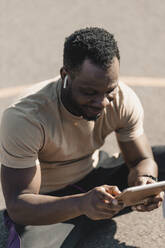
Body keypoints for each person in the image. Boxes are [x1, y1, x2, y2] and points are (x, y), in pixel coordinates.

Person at [0, 27, 164, 248]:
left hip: (100, 182)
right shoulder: (25, 117)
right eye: (89, 93)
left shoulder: (122, 98)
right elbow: (19, 204)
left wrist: (146, 182)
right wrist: (82, 204)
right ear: (65, 75)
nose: (102, 102)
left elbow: (140, 161)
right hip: (51, 201)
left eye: (109, 91)